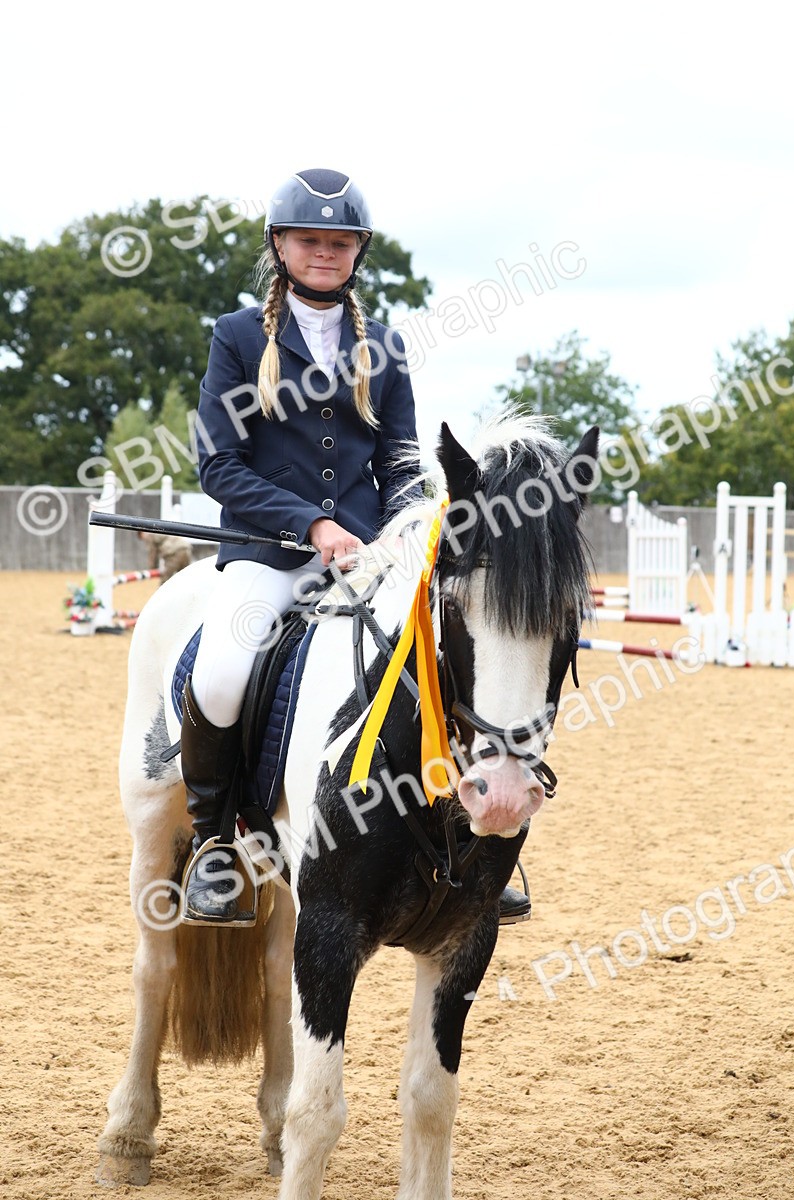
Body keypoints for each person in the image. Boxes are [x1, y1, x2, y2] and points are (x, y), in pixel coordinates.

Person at [180, 167, 530, 928]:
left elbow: (402, 462)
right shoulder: (238, 338)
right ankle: (212, 844)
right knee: (221, 672)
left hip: (373, 558)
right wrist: (310, 524)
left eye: (340, 243)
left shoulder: (387, 347)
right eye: (311, 240)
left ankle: (470, 837)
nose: (325, 253)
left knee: (446, 663)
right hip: (269, 555)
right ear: (281, 246)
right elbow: (218, 465)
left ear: (358, 251)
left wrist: (413, 534)